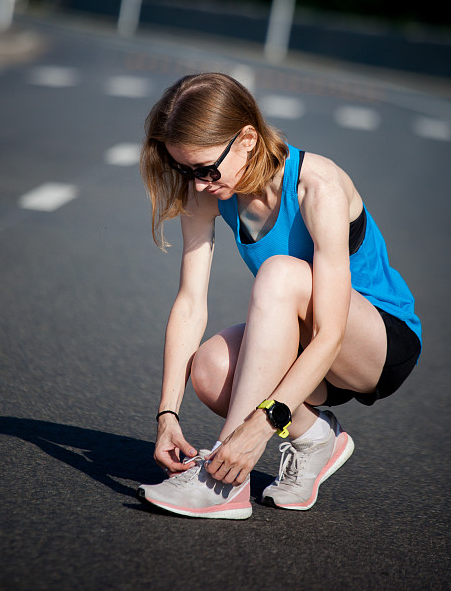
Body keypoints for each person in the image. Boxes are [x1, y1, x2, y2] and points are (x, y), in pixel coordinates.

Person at [137, 72, 422, 519]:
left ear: (247, 139)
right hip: (310, 346)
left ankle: (222, 482)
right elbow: (190, 303)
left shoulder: (318, 187)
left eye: (207, 169)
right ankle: (313, 439)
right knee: (210, 369)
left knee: (282, 274)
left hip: (375, 341)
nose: (197, 185)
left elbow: (329, 333)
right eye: (185, 170)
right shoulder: (210, 191)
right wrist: (166, 415)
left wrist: (263, 424)